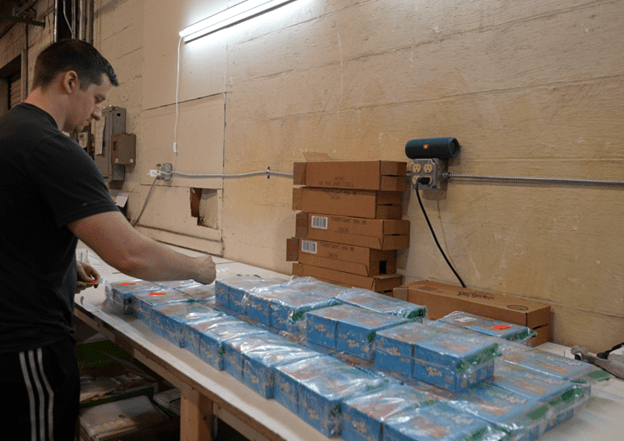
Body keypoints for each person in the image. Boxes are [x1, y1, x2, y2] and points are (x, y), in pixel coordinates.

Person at [0, 39, 216, 440]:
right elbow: (130, 255)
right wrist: (198, 268)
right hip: (25, 346)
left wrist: (64, 266)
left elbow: (16, 224)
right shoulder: (52, 147)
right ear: (70, 82)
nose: (99, 113)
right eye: (98, 98)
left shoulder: (9, 130)